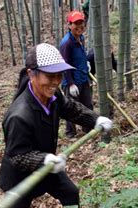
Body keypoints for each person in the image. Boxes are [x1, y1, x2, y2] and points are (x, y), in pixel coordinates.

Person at [0, 43, 113, 208]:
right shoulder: (18, 115)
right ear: (31, 74)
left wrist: (95, 119)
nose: (55, 81)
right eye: (49, 75)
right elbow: (18, 155)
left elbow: (72, 109)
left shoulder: (53, 97)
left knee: (70, 193)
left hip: (48, 166)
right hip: (22, 176)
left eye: (58, 75)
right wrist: (44, 158)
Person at [60, 10, 92, 138]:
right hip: (72, 81)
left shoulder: (81, 38)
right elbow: (64, 64)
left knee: (87, 104)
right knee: (72, 109)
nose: (79, 26)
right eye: (75, 24)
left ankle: (88, 129)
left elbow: (81, 55)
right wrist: (71, 84)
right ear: (69, 25)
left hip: (83, 78)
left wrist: (86, 64)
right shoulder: (67, 43)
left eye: (81, 23)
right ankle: (70, 134)